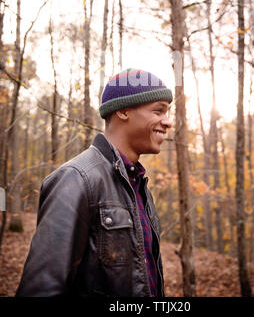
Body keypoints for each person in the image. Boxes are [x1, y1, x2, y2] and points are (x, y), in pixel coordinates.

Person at [16, 68, 173, 297]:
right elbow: (41, 288)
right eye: (159, 111)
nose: (167, 122)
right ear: (123, 110)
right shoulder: (76, 179)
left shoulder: (138, 184)